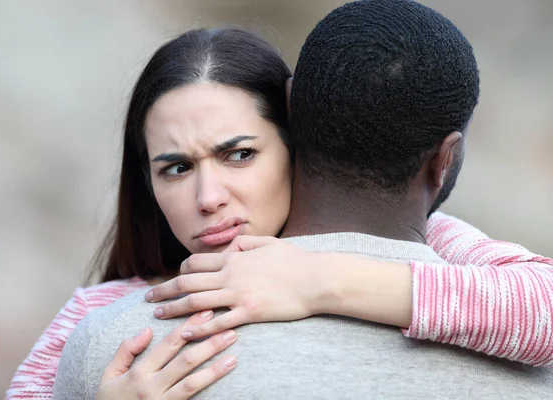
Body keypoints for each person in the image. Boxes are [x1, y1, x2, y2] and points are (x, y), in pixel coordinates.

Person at [49, 1, 553, 399]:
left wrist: (316, 280)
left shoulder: (446, 244)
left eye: (240, 154)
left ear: (295, 126)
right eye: (176, 168)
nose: (208, 198)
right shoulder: (97, 319)